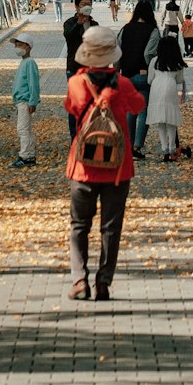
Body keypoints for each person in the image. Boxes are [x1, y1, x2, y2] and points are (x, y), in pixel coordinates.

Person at [64, 25, 145, 301]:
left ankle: (79, 280)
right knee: (111, 228)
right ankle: (103, 282)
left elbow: (72, 109)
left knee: (79, 226)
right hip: (117, 169)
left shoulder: (75, 83)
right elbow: (138, 106)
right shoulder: (122, 85)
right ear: (111, 55)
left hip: (83, 167)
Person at [117, 0, 159, 160]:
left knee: (130, 112)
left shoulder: (125, 29)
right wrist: (151, 66)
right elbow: (149, 53)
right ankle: (137, 147)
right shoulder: (152, 30)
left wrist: (117, 71)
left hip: (126, 76)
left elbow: (117, 51)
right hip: (143, 75)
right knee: (143, 112)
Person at [147, 34, 187, 161]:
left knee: (161, 121)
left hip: (156, 87)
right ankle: (172, 147)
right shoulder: (177, 62)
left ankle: (164, 149)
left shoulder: (155, 61)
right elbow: (180, 80)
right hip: (170, 87)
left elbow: (149, 79)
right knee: (171, 120)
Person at [63, 0, 98, 137]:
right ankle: (75, 138)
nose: (87, 6)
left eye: (89, 4)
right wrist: (79, 23)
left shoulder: (94, 25)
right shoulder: (69, 23)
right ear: (77, 6)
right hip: (74, 69)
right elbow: (69, 37)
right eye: (84, 4)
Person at [11, 33, 40, 167]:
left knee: (22, 129)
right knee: (25, 129)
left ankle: (25, 156)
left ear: (28, 47)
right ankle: (29, 154)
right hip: (20, 101)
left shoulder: (30, 63)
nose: (17, 47)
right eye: (16, 45)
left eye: (19, 44)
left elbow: (33, 84)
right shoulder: (24, 62)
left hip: (25, 101)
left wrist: (33, 101)